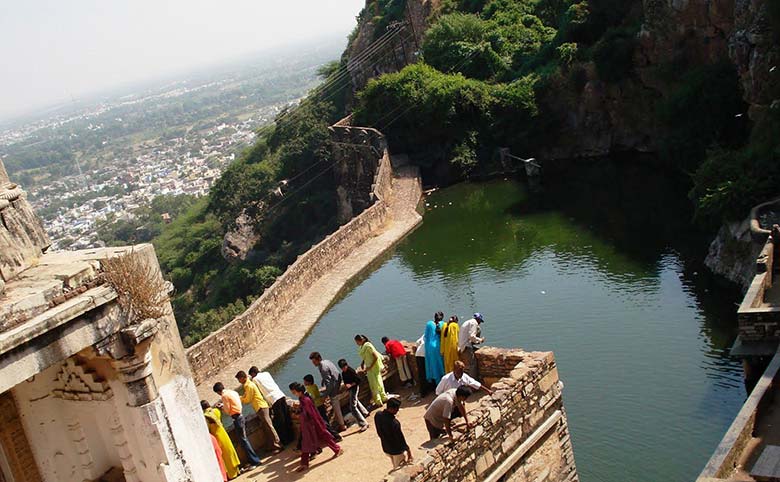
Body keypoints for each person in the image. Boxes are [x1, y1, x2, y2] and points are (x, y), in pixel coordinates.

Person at [289, 382, 344, 472]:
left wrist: (301, 414)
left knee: (322, 436)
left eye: (294, 392)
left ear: (299, 392)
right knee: (306, 443)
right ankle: (304, 463)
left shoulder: (305, 400)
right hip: (308, 425)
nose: (294, 393)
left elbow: (310, 413)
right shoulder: (303, 399)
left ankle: (337, 449)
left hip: (313, 423)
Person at [212, 382, 262, 469]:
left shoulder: (224, 396)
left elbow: (227, 411)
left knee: (243, 441)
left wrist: (221, 407)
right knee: (244, 440)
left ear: (218, 392)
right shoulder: (233, 392)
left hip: (236, 418)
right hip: (240, 415)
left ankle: (255, 461)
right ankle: (253, 460)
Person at [235, 371, 283, 454]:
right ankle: (271, 445)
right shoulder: (250, 384)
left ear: (242, 378)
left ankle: (278, 445)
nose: (239, 381)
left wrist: (239, 398)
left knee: (269, 426)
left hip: (261, 407)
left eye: (239, 379)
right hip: (261, 406)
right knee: (266, 427)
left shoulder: (248, 385)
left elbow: (248, 400)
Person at [249, 366, 295, 445]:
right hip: (280, 394)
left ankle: (286, 440)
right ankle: (292, 436)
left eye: (251, 375)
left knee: (280, 420)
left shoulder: (255, 379)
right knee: (286, 416)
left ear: (253, 373)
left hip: (273, 399)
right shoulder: (267, 373)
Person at [201, 400, 241, 480]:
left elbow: (207, 429)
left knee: (223, 456)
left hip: (217, 436)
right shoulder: (216, 411)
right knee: (230, 452)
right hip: (223, 433)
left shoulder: (205, 416)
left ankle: (231, 474)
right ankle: (237, 471)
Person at [308, 352, 346, 432]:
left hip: (334, 387)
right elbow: (332, 374)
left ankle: (342, 425)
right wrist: (323, 380)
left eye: (314, 362)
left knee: (336, 406)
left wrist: (325, 396)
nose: (313, 363)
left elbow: (329, 384)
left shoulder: (323, 368)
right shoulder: (326, 362)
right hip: (337, 382)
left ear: (318, 359)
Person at [303, 374, 343, 441]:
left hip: (317, 407)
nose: (304, 383)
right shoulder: (314, 386)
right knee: (326, 421)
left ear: (308, 382)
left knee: (324, 423)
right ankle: (333, 435)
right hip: (320, 405)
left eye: (305, 381)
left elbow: (313, 397)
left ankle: (335, 436)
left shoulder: (309, 389)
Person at [375, 398, 413, 468]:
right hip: (396, 451)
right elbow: (401, 439)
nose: (398, 410)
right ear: (392, 409)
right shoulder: (394, 423)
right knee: (400, 469)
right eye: (397, 409)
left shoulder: (378, 415)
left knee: (395, 465)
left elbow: (379, 432)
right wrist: (408, 451)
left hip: (386, 447)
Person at [355, 334, 388, 406]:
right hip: (369, 366)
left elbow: (375, 357)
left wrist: (370, 367)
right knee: (377, 382)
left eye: (357, 342)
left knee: (375, 384)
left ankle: (379, 401)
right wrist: (363, 362)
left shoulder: (368, 346)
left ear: (359, 341)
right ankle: (382, 398)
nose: (356, 344)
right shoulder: (363, 347)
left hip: (373, 367)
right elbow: (366, 356)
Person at [338, 358, 370, 431]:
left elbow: (358, 380)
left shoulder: (351, 371)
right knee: (355, 401)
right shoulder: (343, 373)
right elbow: (345, 382)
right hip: (351, 389)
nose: (343, 369)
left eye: (344, 367)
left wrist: (351, 385)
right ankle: (365, 413)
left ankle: (363, 423)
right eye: (341, 368)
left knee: (353, 406)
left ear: (346, 365)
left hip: (355, 388)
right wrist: (346, 385)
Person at [459, 313, 486, 378]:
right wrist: (480, 340)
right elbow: (472, 336)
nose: (479, 323)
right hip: (466, 346)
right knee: (473, 364)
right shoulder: (474, 323)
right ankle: (472, 380)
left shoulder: (468, 322)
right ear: (478, 319)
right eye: (480, 321)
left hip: (462, 345)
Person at [424, 312, 445, 385]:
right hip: (439, 346)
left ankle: (437, 383)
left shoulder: (429, 324)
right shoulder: (443, 324)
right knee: (441, 364)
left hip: (430, 346)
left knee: (433, 365)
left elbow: (426, 336)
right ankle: (443, 383)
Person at [414, 333, 431, 397]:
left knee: (421, 374)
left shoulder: (424, 335)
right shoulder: (433, 336)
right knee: (426, 373)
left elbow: (417, 342)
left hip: (418, 355)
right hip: (425, 356)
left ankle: (423, 391)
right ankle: (426, 390)